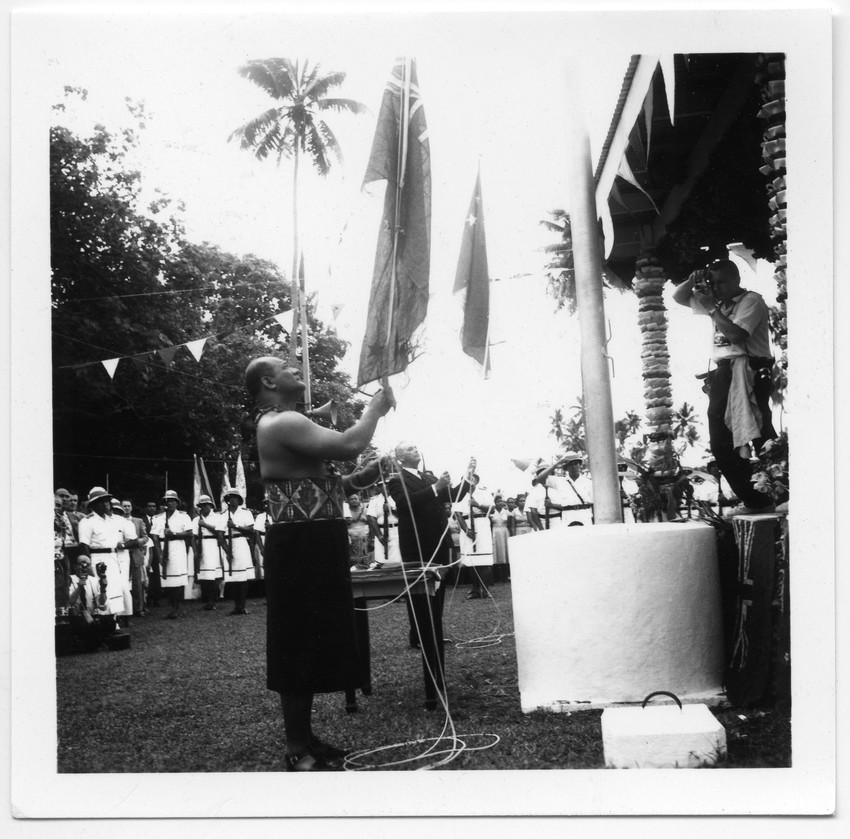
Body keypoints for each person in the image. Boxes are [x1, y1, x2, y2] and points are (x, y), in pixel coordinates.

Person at [246, 356, 394, 772]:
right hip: (300, 544)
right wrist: (374, 411)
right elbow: (349, 444)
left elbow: (327, 485)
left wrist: (364, 477)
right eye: (286, 367)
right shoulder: (282, 423)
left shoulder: (288, 422)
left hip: (311, 540)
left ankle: (305, 738)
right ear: (268, 381)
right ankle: (296, 747)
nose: (297, 369)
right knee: (297, 640)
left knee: (310, 637)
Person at [672, 259, 776, 513]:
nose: (716, 288)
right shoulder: (715, 303)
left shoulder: (751, 301)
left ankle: (777, 491)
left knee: (761, 434)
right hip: (724, 373)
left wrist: (712, 310)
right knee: (721, 441)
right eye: (713, 283)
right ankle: (754, 498)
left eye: (722, 283)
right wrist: (692, 278)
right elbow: (678, 296)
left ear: (736, 280)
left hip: (750, 370)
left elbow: (738, 335)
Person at [387, 443, 475, 665]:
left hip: (438, 542)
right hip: (418, 545)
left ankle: (434, 634)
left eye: (416, 447)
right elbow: (405, 503)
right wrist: (436, 487)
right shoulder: (397, 480)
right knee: (420, 593)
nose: (416, 450)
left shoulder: (427, 477)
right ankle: (418, 637)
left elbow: (453, 496)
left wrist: (467, 476)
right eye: (409, 449)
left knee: (438, 589)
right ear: (400, 458)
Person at [77, 487, 132, 618]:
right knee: (101, 590)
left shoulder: (112, 520)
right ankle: (102, 621)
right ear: (94, 504)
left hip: (114, 558)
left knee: (115, 590)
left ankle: (113, 621)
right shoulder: (87, 521)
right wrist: (89, 567)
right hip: (98, 558)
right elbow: (84, 545)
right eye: (102, 501)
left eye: (108, 501)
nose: (106, 504)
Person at [149, 490, 192, 619]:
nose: (170, 503)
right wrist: (159, 554)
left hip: (177, 546)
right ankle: (172, 607)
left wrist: (174, 534)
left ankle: (176, 608)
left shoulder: (184, 516)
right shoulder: (158, 518)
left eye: (173, 501)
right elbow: (155, 537)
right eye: (168, 501)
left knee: (178, 579)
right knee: (166, 578)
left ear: (177, 503)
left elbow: (189, 533)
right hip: (163, 546)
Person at [216, 489, 256, 615]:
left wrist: (235, 526)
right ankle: (236, 606)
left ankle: (242, 606)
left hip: (241, 543)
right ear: (227, 501)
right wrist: (227, 550)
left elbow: (251, 530)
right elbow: (220, 535)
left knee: (243, 578)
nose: (232, 500)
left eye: (235, 497)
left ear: (239, 500)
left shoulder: (246, 513)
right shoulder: (222, 516)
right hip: (229, 545)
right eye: (230, 498)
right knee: (232, 578)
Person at [192, 494, 224, 610]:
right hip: (201, 545)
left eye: (207, 505)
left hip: (213, 545)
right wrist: (195, 550)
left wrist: (205, 524)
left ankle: (212, 600)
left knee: (213, 575)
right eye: (202, 505)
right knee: (203, 575)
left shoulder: (217, 517)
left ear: (211, 505)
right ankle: (206, 599)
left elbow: (219, 532)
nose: (205, 507)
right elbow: (193, 535)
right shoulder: (196, 519)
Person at [120, 500, 149, 616]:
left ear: (131, 508)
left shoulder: (138, 521)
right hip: (122, 553)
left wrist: (137, 542)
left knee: (137, 583)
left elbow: (145, 537)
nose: (126, 508)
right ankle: (124, 609)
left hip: (135, 553)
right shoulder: (117, 521)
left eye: (128, 506)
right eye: (124, 506)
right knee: (123, 581)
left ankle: (138, 609)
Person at [365, 488, 401, 567]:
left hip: (397, 530)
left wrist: (391, 510)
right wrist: (379, 535)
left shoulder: (398, 497)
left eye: (388, 485)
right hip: (381, 531)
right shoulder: (374, 500)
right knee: (382, 562)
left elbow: (404, 514)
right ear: (378, 487)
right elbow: (371, 518)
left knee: (398, 560)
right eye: (382, 485)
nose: (385, 487)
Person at [345, 493, 372, 569]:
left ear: (359, 500)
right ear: (348, 501)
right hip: (352, 538)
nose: (354, 501)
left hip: (365, 537)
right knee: (354, 558)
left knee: (366, 555)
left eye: (355, 499)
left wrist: (372, 538)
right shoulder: (346, 512)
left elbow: (370, 524)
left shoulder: (365, 510)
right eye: (351, 499)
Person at [489, 495, 511, 583]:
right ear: (495, 503)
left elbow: (509, 523)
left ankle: (505, 577)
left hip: (504, 532)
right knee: (496, 553)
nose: (500, 503)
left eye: (502, 501)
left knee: (504, 553)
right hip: (495, 532)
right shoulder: (492, 512)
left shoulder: (506, 512)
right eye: (498, 501)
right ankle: (495, 577)